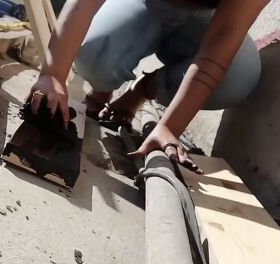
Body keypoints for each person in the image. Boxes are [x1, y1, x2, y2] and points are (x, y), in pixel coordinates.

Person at [28, 0, 268, 172]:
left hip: (207, 22)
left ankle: (142, 91)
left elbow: (224, 36)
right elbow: (84, 4)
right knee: (91, 54)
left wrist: (170, 128)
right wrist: (53, 74)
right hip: (144, 5)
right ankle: (104, 85)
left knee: (237, 78)